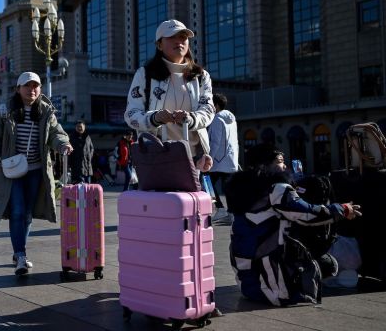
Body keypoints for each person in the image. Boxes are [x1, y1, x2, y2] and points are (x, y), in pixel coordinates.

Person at [226, 144, 361, 306]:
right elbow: (308, 214)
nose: (285, 166)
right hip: (271, 288)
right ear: (265, 164)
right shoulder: (276, 188)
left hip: (247, 283)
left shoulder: (245, 190)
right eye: (280, 161)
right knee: (328, 263)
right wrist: (342, 209)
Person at [0, 71, 72, 276]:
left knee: (27, 213)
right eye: (27, 86)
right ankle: (21, 254)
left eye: (36, 86)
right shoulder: (6, 111)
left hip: (35, 171)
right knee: (17, 210)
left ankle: (19, 253)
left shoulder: (45, 111)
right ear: (18, 89)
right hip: (11, 172)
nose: (32, 90)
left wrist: (63, 144)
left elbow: (55, 133)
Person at [124, 19, 214, 174]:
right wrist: (155, 118)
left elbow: (208, 109)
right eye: (172, 37)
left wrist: (191, 119)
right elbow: (131, 114)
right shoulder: (144, 74)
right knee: (159, 199)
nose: (179, 41)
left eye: (183, 37)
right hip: (155, 156)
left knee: (188, 198)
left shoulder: (200, 76)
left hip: (192, 158)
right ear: (159, 44)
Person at [207, 93, 240, 224]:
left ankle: (219, 208)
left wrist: (209, 158)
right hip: (230, 160)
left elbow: (215, 142)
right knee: (228, 188)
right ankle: (231, 214)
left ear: (216, 105)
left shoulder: (217, 119)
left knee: (206, 181)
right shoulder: (232, 119)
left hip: (218, 160)